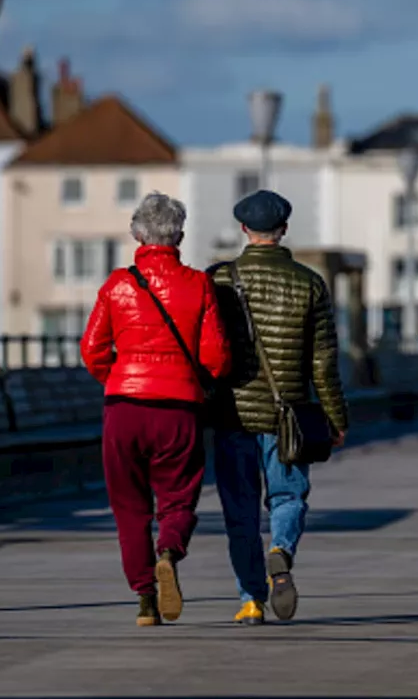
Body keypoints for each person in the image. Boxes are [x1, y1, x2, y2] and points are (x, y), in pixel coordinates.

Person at [79, 192, 231, 627]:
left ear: (135, 234)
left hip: (124, 407)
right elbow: (216, 356)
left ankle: (145, 600)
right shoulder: (199, 284)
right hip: (179, 408)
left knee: (129, 508)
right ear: (179, 235)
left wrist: (117, 379)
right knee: (179, 498)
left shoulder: (117, 285)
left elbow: (92, 349)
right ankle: (169, 550)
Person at [207, 189, 349, 625]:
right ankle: (280, 551)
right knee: (288, 496)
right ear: (283, 229)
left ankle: (250, 599)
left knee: (240, 509)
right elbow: (323, 361)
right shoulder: (309, 283)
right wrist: (337, 419)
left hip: (232, 414)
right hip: (290, 415)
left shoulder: (219, 280)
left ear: (244, 230)